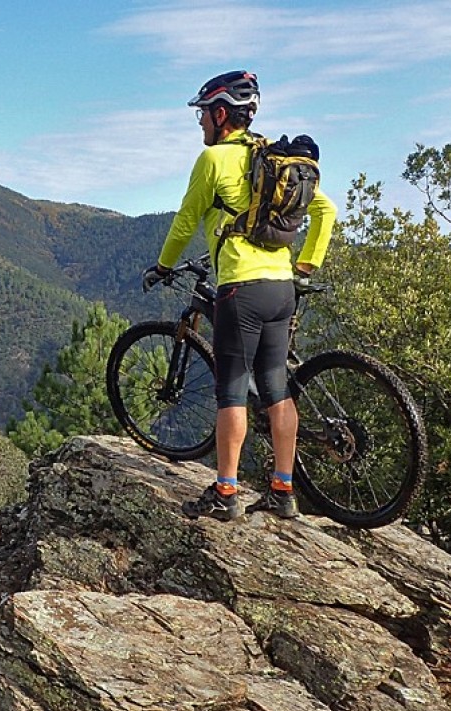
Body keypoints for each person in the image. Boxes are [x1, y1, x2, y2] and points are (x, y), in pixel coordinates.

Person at [143, 70, 337, 522]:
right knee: (276, 388)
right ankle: (282, 491)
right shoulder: (271, 158)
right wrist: (306, 265)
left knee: (231, 391)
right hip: (281, 288)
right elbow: (326, 210)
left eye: (202, 114)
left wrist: (164, 266)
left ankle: (225, 493)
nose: (199, 122)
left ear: (221, 114)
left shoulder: (213, 160)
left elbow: (185, 221)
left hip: (241, 291)